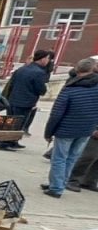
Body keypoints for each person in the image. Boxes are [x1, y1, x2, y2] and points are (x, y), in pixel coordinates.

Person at [42, 58, 98, 197]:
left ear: (77, 70)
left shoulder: (70, 88)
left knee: (60, 158)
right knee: (72, 158)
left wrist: (48, 132)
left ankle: (56, 187)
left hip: (66, 129)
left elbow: (56, 113)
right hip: (86, 129)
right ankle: (60, 183)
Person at [0, 49, 53, 152]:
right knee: (18, 123)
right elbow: (40, 89)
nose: (48, 61)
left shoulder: (22, 69)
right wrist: (43, 90)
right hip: (25, 101)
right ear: (43, 59)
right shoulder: (39, 73)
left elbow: (12, 83)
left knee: (11, 121)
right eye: (48, 58)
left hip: (13, 99)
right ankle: (6, 143)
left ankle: (12, 141)